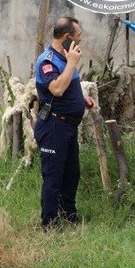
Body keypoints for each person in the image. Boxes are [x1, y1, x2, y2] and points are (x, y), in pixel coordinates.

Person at [34, 16, 96, 228]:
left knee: (71, 174)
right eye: (78, 36)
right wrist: (71, 63)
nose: (80, 40)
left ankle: (69, 215)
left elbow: (67, 86)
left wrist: (81, 99)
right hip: (53, 127)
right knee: (53, 177)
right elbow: (57, 89)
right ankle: (49, 223)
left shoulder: (67, 59)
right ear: (68, 37)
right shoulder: (48, 61)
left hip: (68, 127)